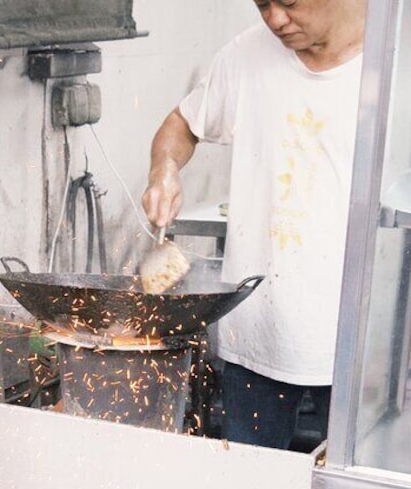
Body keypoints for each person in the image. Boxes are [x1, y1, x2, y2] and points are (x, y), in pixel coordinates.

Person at [142, 0, 367, 450]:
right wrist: (164, 170)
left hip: (359, 354)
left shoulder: (391, 64)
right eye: (262, 4)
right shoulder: (245, 57)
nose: (275, 19)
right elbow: (181, 124)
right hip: (255, 341)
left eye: (289, 2)